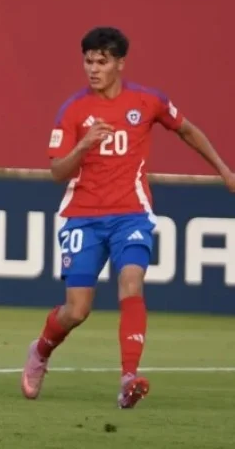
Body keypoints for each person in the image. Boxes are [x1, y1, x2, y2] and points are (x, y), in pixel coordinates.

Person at [22, 26, 235, 409]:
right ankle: (40, 351)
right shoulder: (73, 111)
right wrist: (84, 145)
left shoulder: (147, 101)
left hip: (131, 214)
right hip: (82, 217)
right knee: (77, 310)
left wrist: (224, 170)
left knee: (132, 283)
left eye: (101, 62)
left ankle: (128, 378)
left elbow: (186, 129)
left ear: (120, 63)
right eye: (88, 61)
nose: (93, 69)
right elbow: (57, 172)